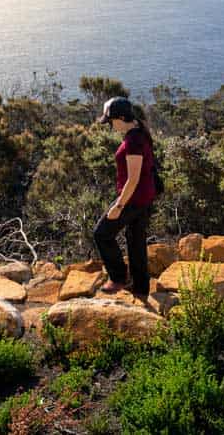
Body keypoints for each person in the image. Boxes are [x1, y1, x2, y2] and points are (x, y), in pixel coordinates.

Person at [93, 96, 158, 296]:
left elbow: (133, 179)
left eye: (111, 121)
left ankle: (118, 278)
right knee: (135, 240)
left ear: (121, 118)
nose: (110, 125)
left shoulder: (134, 141)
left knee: (102, 233)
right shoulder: (138, 130)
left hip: (133, 199)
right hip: (145, 196)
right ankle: (140, 288)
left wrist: (118, 206)